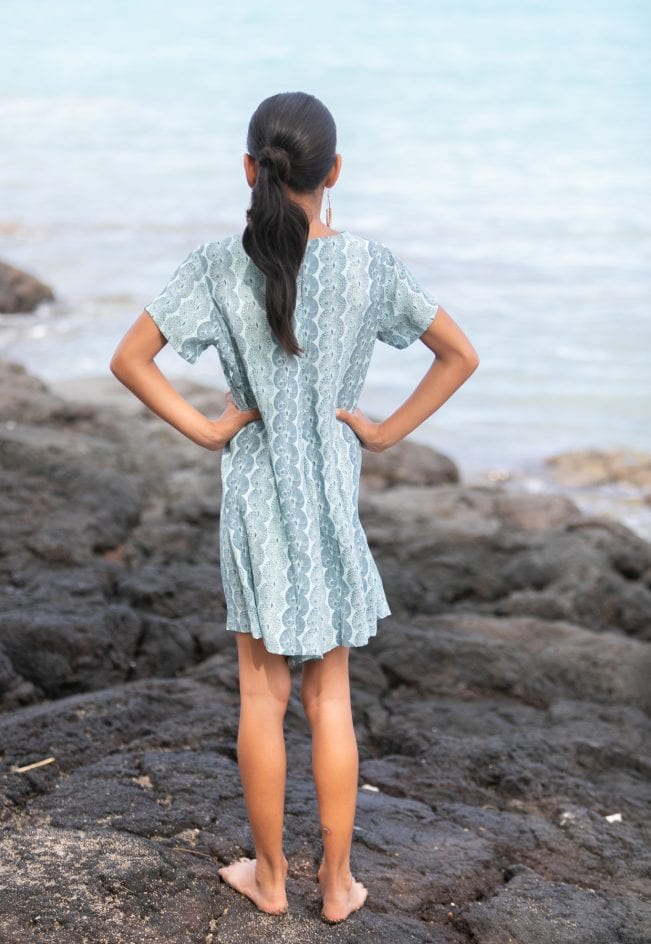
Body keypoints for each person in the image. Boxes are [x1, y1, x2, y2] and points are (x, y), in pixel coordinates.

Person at [110, 91, 479, 924]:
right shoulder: (368, 266)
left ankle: (272, 879)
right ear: (333, 173)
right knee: (331, 698)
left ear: (249, 171)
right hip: (328, 497)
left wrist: (206, 430)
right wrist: (383, 434)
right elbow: (458, 355)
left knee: (260, 695)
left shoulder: (214, 264)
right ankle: (338, 885)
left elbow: (130, 359)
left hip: (254, 493)